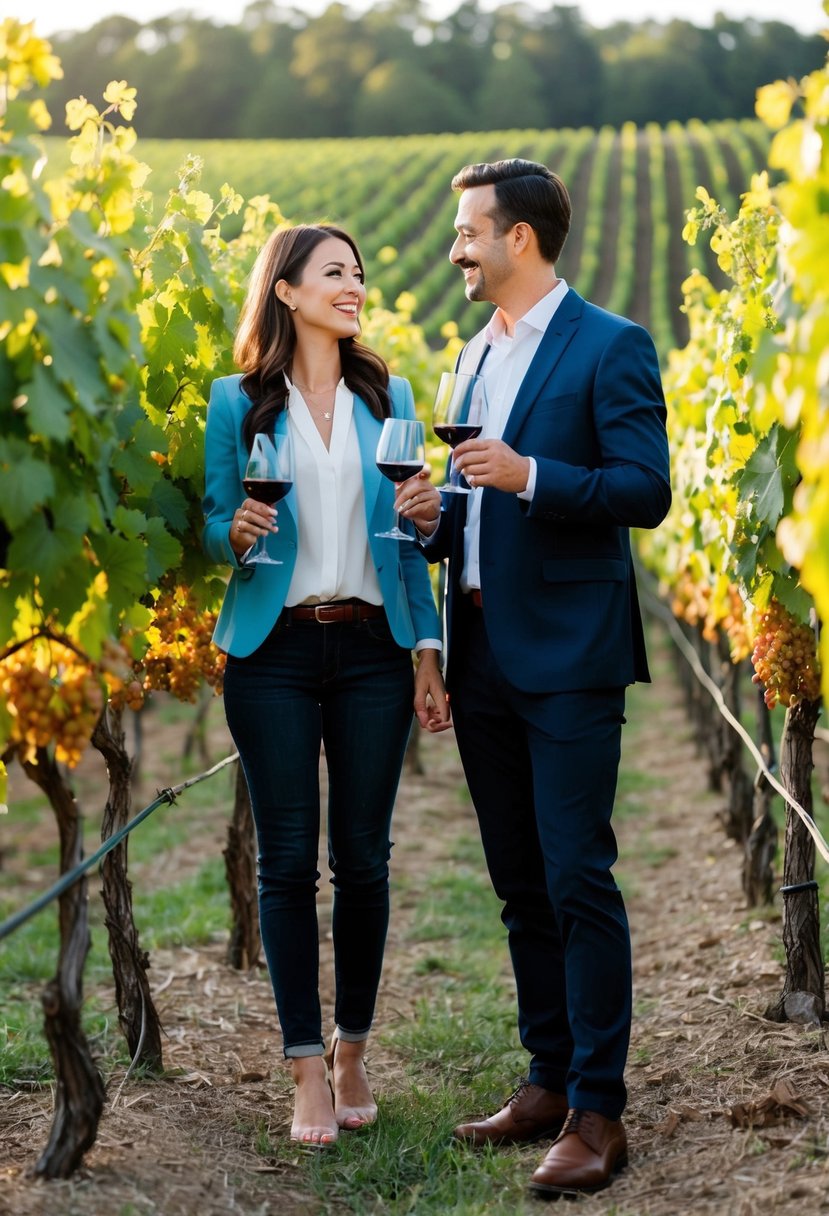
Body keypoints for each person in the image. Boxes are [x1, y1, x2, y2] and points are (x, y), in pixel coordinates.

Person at [397, 160, 671, 1197]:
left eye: (469, 231)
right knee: (519, 884)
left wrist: (533, 476)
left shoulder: (610, 344)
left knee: (575, 877)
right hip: (481, 655)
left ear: (520, 238)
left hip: (567, 655)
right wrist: (436, 519)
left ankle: (600, 1111)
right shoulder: (470, 355)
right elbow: (475, 503)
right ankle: (547, 1079)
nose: (456, 249)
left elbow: (646, 490)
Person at [202, 223, 449, 1149]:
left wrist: (426, 644)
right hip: (272, 652)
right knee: (287, 863)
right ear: (289, 292)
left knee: (365, 860)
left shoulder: (390, 397)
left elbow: (410, 543)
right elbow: (212, 523)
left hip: (374, 650)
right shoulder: (236, 403)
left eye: (358, 272)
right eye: (334, 273)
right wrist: (228, 534)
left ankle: (351, 1049)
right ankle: (304, 1065)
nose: (353, 286)